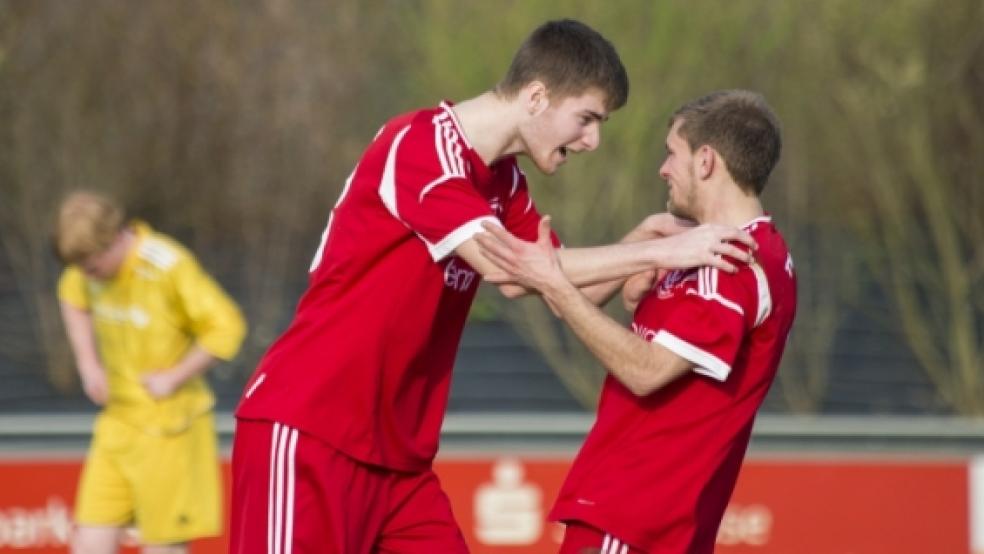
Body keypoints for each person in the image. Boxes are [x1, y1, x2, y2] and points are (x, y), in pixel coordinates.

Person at [231, 20, 757, 554]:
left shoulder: (504, 182)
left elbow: (548, 281)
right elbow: (509, 266)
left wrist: (637, 241)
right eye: (587, 118)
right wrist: (659, 252)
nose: (592, 140)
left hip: (398, 461)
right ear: (536, 97)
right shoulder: (419, 145)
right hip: (309, 431)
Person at [476, 89, 797, 553]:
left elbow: (647, 371)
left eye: (672, 153)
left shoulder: (730, 262)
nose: (664, 169)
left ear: (706, 161)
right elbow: (580, 300)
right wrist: (640, 248)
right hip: (644, 518)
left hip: (636, 517)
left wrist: (553, 281)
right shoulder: (724, 249)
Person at [54, 191, 247, 554]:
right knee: (88, 542)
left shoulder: (167, 265)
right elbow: (71, 295)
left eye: (92, 268)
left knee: (163, 548)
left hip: (170, 428)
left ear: (113, 240)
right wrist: (88, 364)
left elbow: (227, 327)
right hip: (118, 424)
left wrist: (175, 375)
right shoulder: (86, 269)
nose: (86, 277)